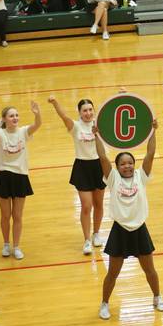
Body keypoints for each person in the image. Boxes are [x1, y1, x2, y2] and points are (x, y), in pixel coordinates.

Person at [94, 119, 163, 320]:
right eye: (123, 163)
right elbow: (101, 156)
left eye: (130, 163)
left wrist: (152, 131)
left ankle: (157, 297)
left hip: (140, 230)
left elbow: (150, 154)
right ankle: (104, 303)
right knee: (112, 274)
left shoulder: (140, 176)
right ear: (117, 167)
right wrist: (97, 135)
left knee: (150, 270)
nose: (127, 166)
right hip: (120, 231)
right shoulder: (113, 178)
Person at [48, 96, 106, 254]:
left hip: (99, 166)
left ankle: (96, 234)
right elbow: (64, 116)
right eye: (84, 110)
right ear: (80, 113)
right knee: (86, 206)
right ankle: (87, 240)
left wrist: (122, 94)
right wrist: (55, 103)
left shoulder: (101, 124)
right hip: (82, 167)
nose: (88, 113)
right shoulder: (75, 126)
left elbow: (115, 113)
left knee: (99, 204)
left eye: (90, 110)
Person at [0, 101, 42, 260]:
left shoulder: (23, 132)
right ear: (4, 119)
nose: (15, 118)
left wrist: (37, 114)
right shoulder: (0, 134)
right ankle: (6, 244)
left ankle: (16, 246)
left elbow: (37, 125)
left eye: (16, 115)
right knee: (5, 215)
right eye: (11, 116)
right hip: (3, 177)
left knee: (17, 215)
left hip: (21, 177)